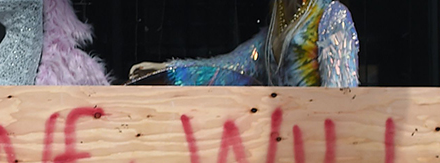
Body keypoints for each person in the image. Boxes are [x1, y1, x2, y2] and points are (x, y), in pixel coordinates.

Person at [127, 0, 358, 87]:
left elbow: (343, 99)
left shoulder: (333, 17)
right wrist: (167, 73)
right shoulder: (272, 32)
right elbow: (227, 69)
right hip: (283, 145)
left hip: (318, 147)